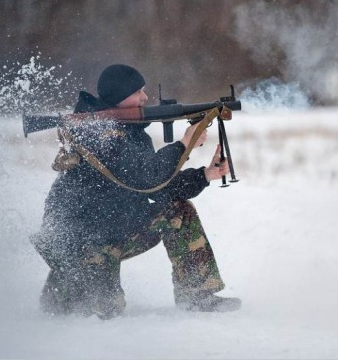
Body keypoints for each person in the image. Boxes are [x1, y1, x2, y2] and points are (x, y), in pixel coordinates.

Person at [30, 64, 241, 319]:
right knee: (99, 315)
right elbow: (146, 176)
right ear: (119, 97)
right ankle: (63, 294)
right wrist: (185, 143)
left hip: (110, 230)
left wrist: (206, 175)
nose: (145, 98)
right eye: (137, 92)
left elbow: (155, 186)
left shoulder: (127, 133)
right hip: (81, 245)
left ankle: (198, 296)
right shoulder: (98, 134)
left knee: (178, 212)